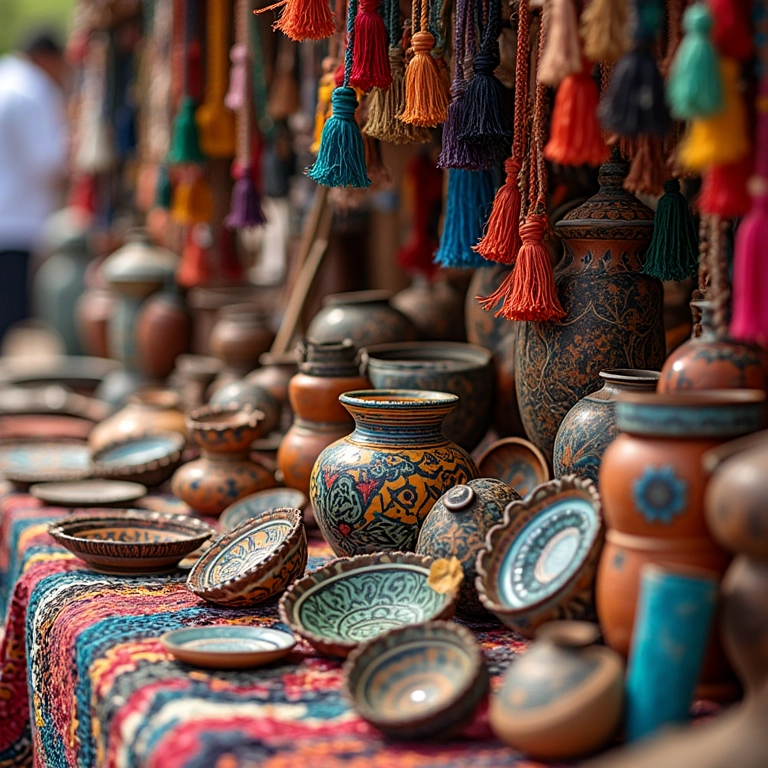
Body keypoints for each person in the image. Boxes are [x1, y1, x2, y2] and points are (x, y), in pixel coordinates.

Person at [0, 30, 69, 342]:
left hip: (9, 215)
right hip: (18, 220)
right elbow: (47, 162)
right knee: (9, 312)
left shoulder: (6, 79)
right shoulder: (32, 90)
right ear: (46, 58)